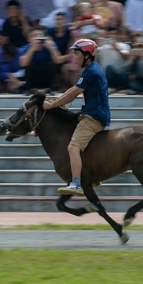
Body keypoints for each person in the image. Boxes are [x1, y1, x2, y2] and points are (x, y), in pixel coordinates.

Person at [46, 39, 110, 196]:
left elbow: (73, 95)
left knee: (73, 147)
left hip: (93, 117)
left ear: (87, 55)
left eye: (76, 53)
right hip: (89, 114)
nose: (74, 57)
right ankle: (92, 177)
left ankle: (76, 184)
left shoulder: (92, 72)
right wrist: (56, 101)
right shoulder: (90, 70)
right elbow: (72, 90)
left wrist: (51, 106)